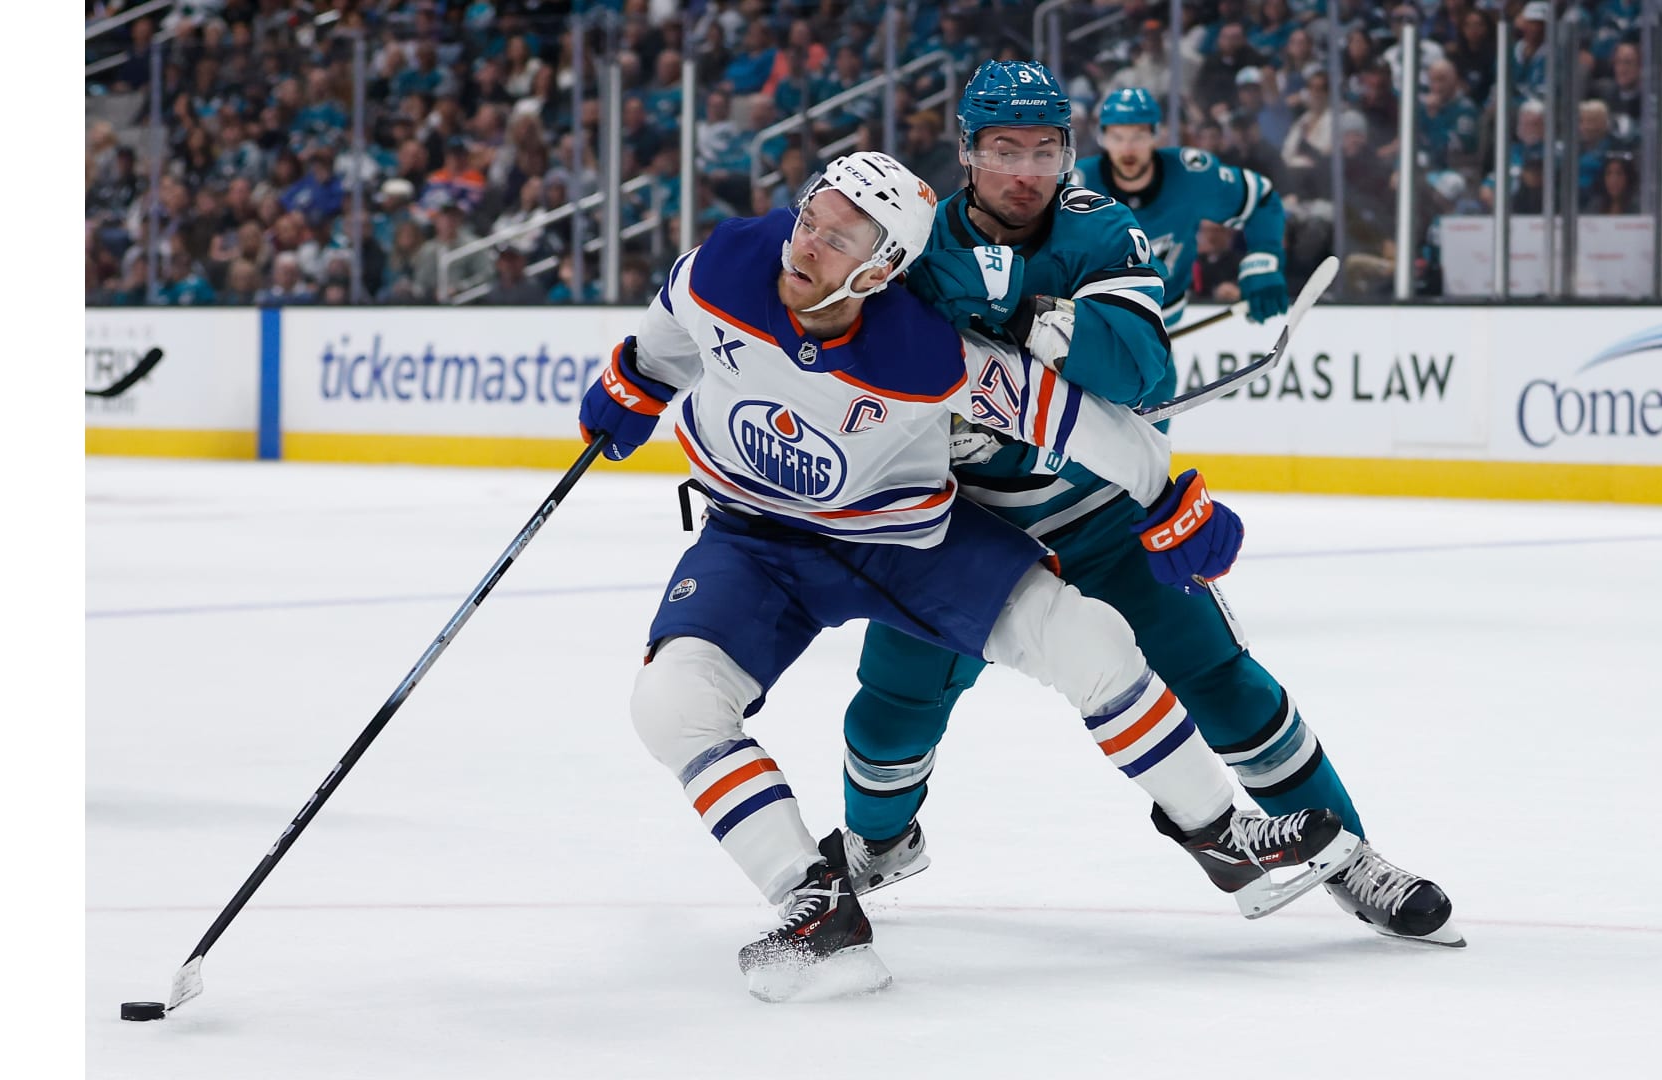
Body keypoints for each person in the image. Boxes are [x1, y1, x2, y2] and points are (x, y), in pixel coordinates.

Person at [579, 150, 1358, 1000]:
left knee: (1088, 638)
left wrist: (1166, 495)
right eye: (810, 219)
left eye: (840, 239)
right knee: (671, 702)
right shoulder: (728, 266)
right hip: (755, 538)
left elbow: (1084, 423)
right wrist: (634, 379)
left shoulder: (925, 352)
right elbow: (666, 333)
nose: (805, 246)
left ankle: (1219, 835)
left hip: (902, 544)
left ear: (881, 269)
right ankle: (815, 908)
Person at [835, 65, 1464, 948]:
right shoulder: (908, 239)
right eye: (1005, 150)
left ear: (1068, 154)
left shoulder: (1099, 228)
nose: (1026, 171)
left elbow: (1142, 370)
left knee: (1223, 681)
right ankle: (877, 843)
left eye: (1045, 151)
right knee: (891, 706)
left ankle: (1351, 857)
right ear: (968, 151)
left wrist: (1030, 321)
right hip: (961, 531)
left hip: (1097, 517)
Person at [1074, 87, 1289, 336]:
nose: (1128, 149)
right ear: (1103, 138)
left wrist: (1263, 259)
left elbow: (1261, 200)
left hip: (1165, 322)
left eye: (1138, 136)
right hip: (1098, 324)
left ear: (1155, 135)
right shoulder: (1078, 186)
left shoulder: (1190, 175)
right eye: (1117, 137)